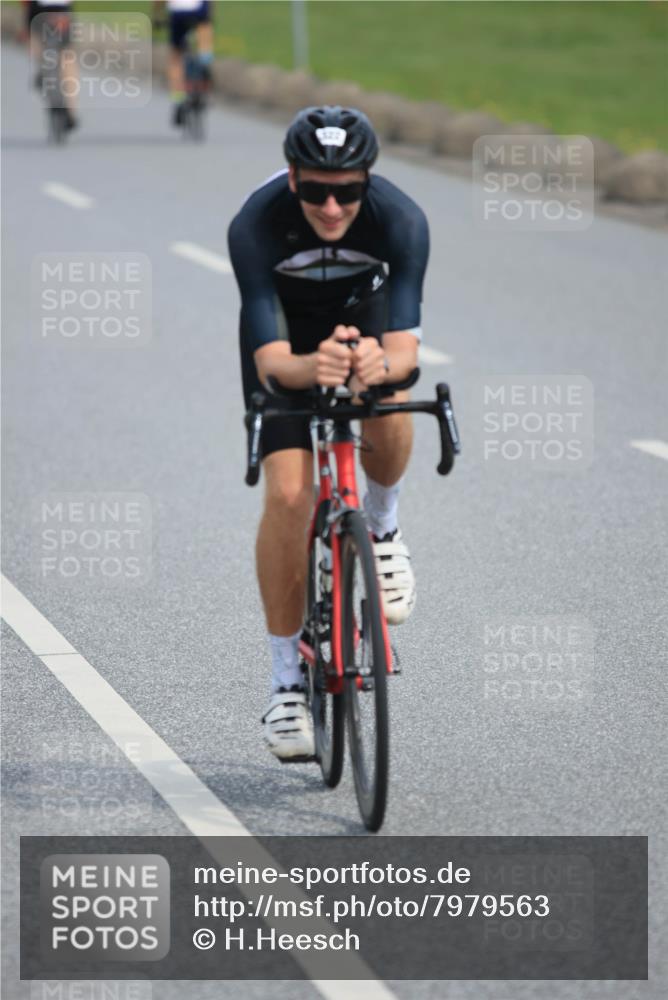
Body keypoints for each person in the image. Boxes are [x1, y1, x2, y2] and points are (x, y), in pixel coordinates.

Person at [228, 106, 429, 760]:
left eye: (347, 190)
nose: (333, 206)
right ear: (292, 179)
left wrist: (377, 365)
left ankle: (384, 527)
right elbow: (270, 361)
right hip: (287, 339)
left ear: (368, 181)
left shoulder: (401, 221)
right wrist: (313, 367)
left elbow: (405, 351)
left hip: (362, 318)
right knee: (289, 497)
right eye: (315, 190)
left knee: (391, 400)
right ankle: (286, 682)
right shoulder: (255, 225)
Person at [157, 0, 213, 126]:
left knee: (176, 57)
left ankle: (178, 98)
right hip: (200, 10)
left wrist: (157, 15)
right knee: (205, 29)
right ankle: (205, 61)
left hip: (178, 13)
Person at [24, 0, 78, 130]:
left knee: (36, 42)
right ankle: (71, 110)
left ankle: (42, 72)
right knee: (67, 57)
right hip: (63, 11)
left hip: (38, 10)